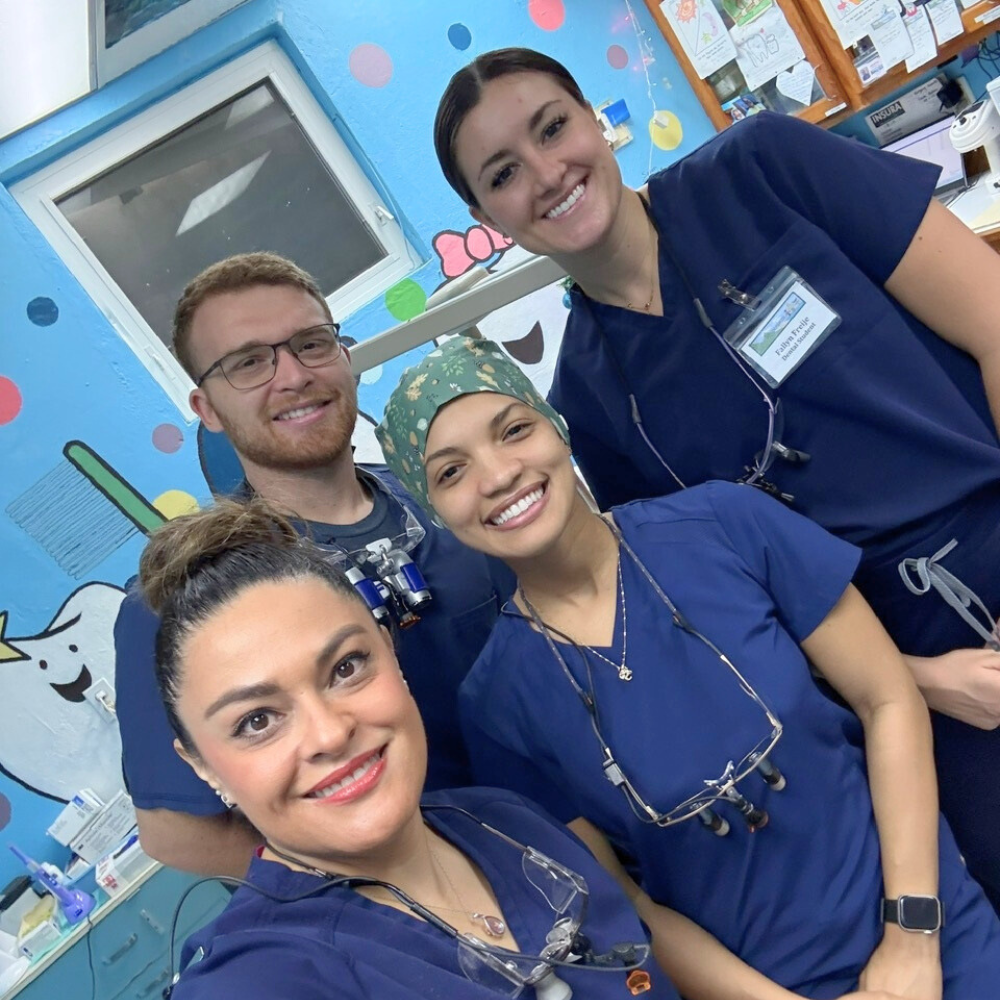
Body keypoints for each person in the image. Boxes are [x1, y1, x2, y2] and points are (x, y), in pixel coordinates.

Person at [432, 48, 1000, 910]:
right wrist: (923, 681)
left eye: (554, 127)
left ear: (595, 118)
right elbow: (732, 615)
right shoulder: (584, 400)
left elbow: (992, 319)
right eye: (504, 174)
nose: (547, 173)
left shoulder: (763, 167)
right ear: (487, 216)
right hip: (905, 666)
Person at [375, 336, 1000, 1000]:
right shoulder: (500, 703)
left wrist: (913, 936)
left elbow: (890, 700)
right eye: (450, 472)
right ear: (434, 510)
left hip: (932, 929)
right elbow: (628, 911)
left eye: (514, 430)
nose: (498, 475)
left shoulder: (725, 524)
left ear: (554, 427)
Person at [139, 498, 673, 1000]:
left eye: (345, 668)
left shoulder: (507, 823)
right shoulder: (257, 980)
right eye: (257, 720)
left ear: (391, 653)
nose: (329, 734)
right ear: (203, 766)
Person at [114, 252, 511, 877]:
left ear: (345, 358)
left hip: (590, 837)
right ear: (208, 409)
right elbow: (175, 833)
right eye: (248, 362)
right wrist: (396, 881)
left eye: (311, 343)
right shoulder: (183, 595)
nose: (293, 375)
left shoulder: (439, 493)